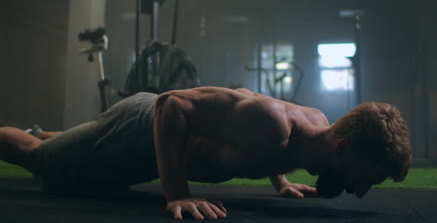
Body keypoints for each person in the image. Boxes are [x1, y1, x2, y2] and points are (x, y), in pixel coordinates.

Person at [0, 86, 412, 220]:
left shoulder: (313, 129)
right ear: (343, 149)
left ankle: (54, 135)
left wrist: (281, 181)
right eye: (365, 178)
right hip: (141, 131)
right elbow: (170, 105)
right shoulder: (273, 125)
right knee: (40, 160)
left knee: (69, 146)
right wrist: (176, 192)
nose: (358, 192)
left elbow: (272, 151)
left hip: (142, 139)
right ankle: (38, 140)